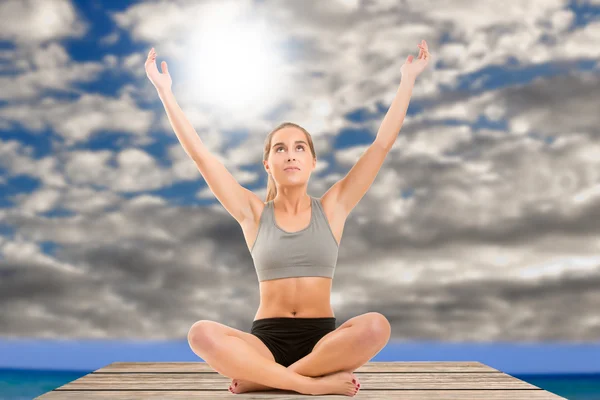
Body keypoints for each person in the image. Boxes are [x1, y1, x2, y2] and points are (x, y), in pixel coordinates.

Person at [145, 40, 430, 396]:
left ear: (312, 162)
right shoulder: (252, 213)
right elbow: (200, 155)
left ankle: (264, 379)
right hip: (265, 341)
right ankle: (310, 386)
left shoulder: (333, 208)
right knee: (200, 334)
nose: (290, 155)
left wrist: (407, 80)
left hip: (323, 341)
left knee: (376, 326)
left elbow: (381, 145)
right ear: (268, 164)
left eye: (300, 148)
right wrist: (164, 91)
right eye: (280, 148)